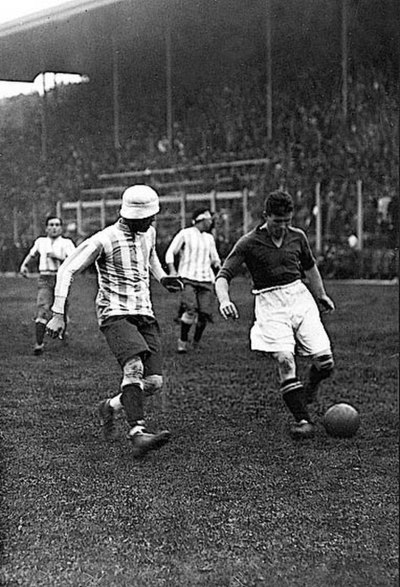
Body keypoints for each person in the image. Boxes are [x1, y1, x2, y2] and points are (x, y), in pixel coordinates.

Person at [45, 185, 183, 458]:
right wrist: (58, 314)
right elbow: (67, 268)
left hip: (145, 311)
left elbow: (150, 256)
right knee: (133, 367)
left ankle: (110, 406)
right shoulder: (104, 239)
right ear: (134, 216)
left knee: (154, 382)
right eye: (149, 216)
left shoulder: (149, 232)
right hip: (115, 313)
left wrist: (162, 277)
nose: (152, 220)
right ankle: (138, 433)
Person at [215, 190, 335, 439]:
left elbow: (310, 268)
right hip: (269, 302)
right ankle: (303, 420)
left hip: (299, 298)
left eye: (286, 221)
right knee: (284, 359)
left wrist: (321, 295)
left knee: (325, 363)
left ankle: (311, 387)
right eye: (276, 221)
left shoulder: (298, 237)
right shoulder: (249, 242)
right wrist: (224, 300)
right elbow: (223, 276)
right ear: (265, 216)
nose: (282, 226)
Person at [165, 208, 221, 353]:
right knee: (191, 309)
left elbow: (215, 258)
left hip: (206, 279)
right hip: (188, 277)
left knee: (204, 313)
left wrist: (219, 267)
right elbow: (171, 252)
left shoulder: (209, 238)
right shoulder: (185, 233)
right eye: (209, 220)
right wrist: (172, 270)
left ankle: (196, 341)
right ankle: (182, 341)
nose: (211, 222)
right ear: (201, 220)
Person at [19, 216, 76, 355]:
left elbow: (74, 260)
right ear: (46, 228)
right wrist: (24, 265)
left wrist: (57, 256)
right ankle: (39, 343)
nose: (54, 227)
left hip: (61, 278)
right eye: (51, 225)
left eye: (57, 225)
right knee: (43, 308)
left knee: (62, 309)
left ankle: (63, 331)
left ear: (61, 228)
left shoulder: (67, 243)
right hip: (45, 277)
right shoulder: (41, 241)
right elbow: (32, 254)